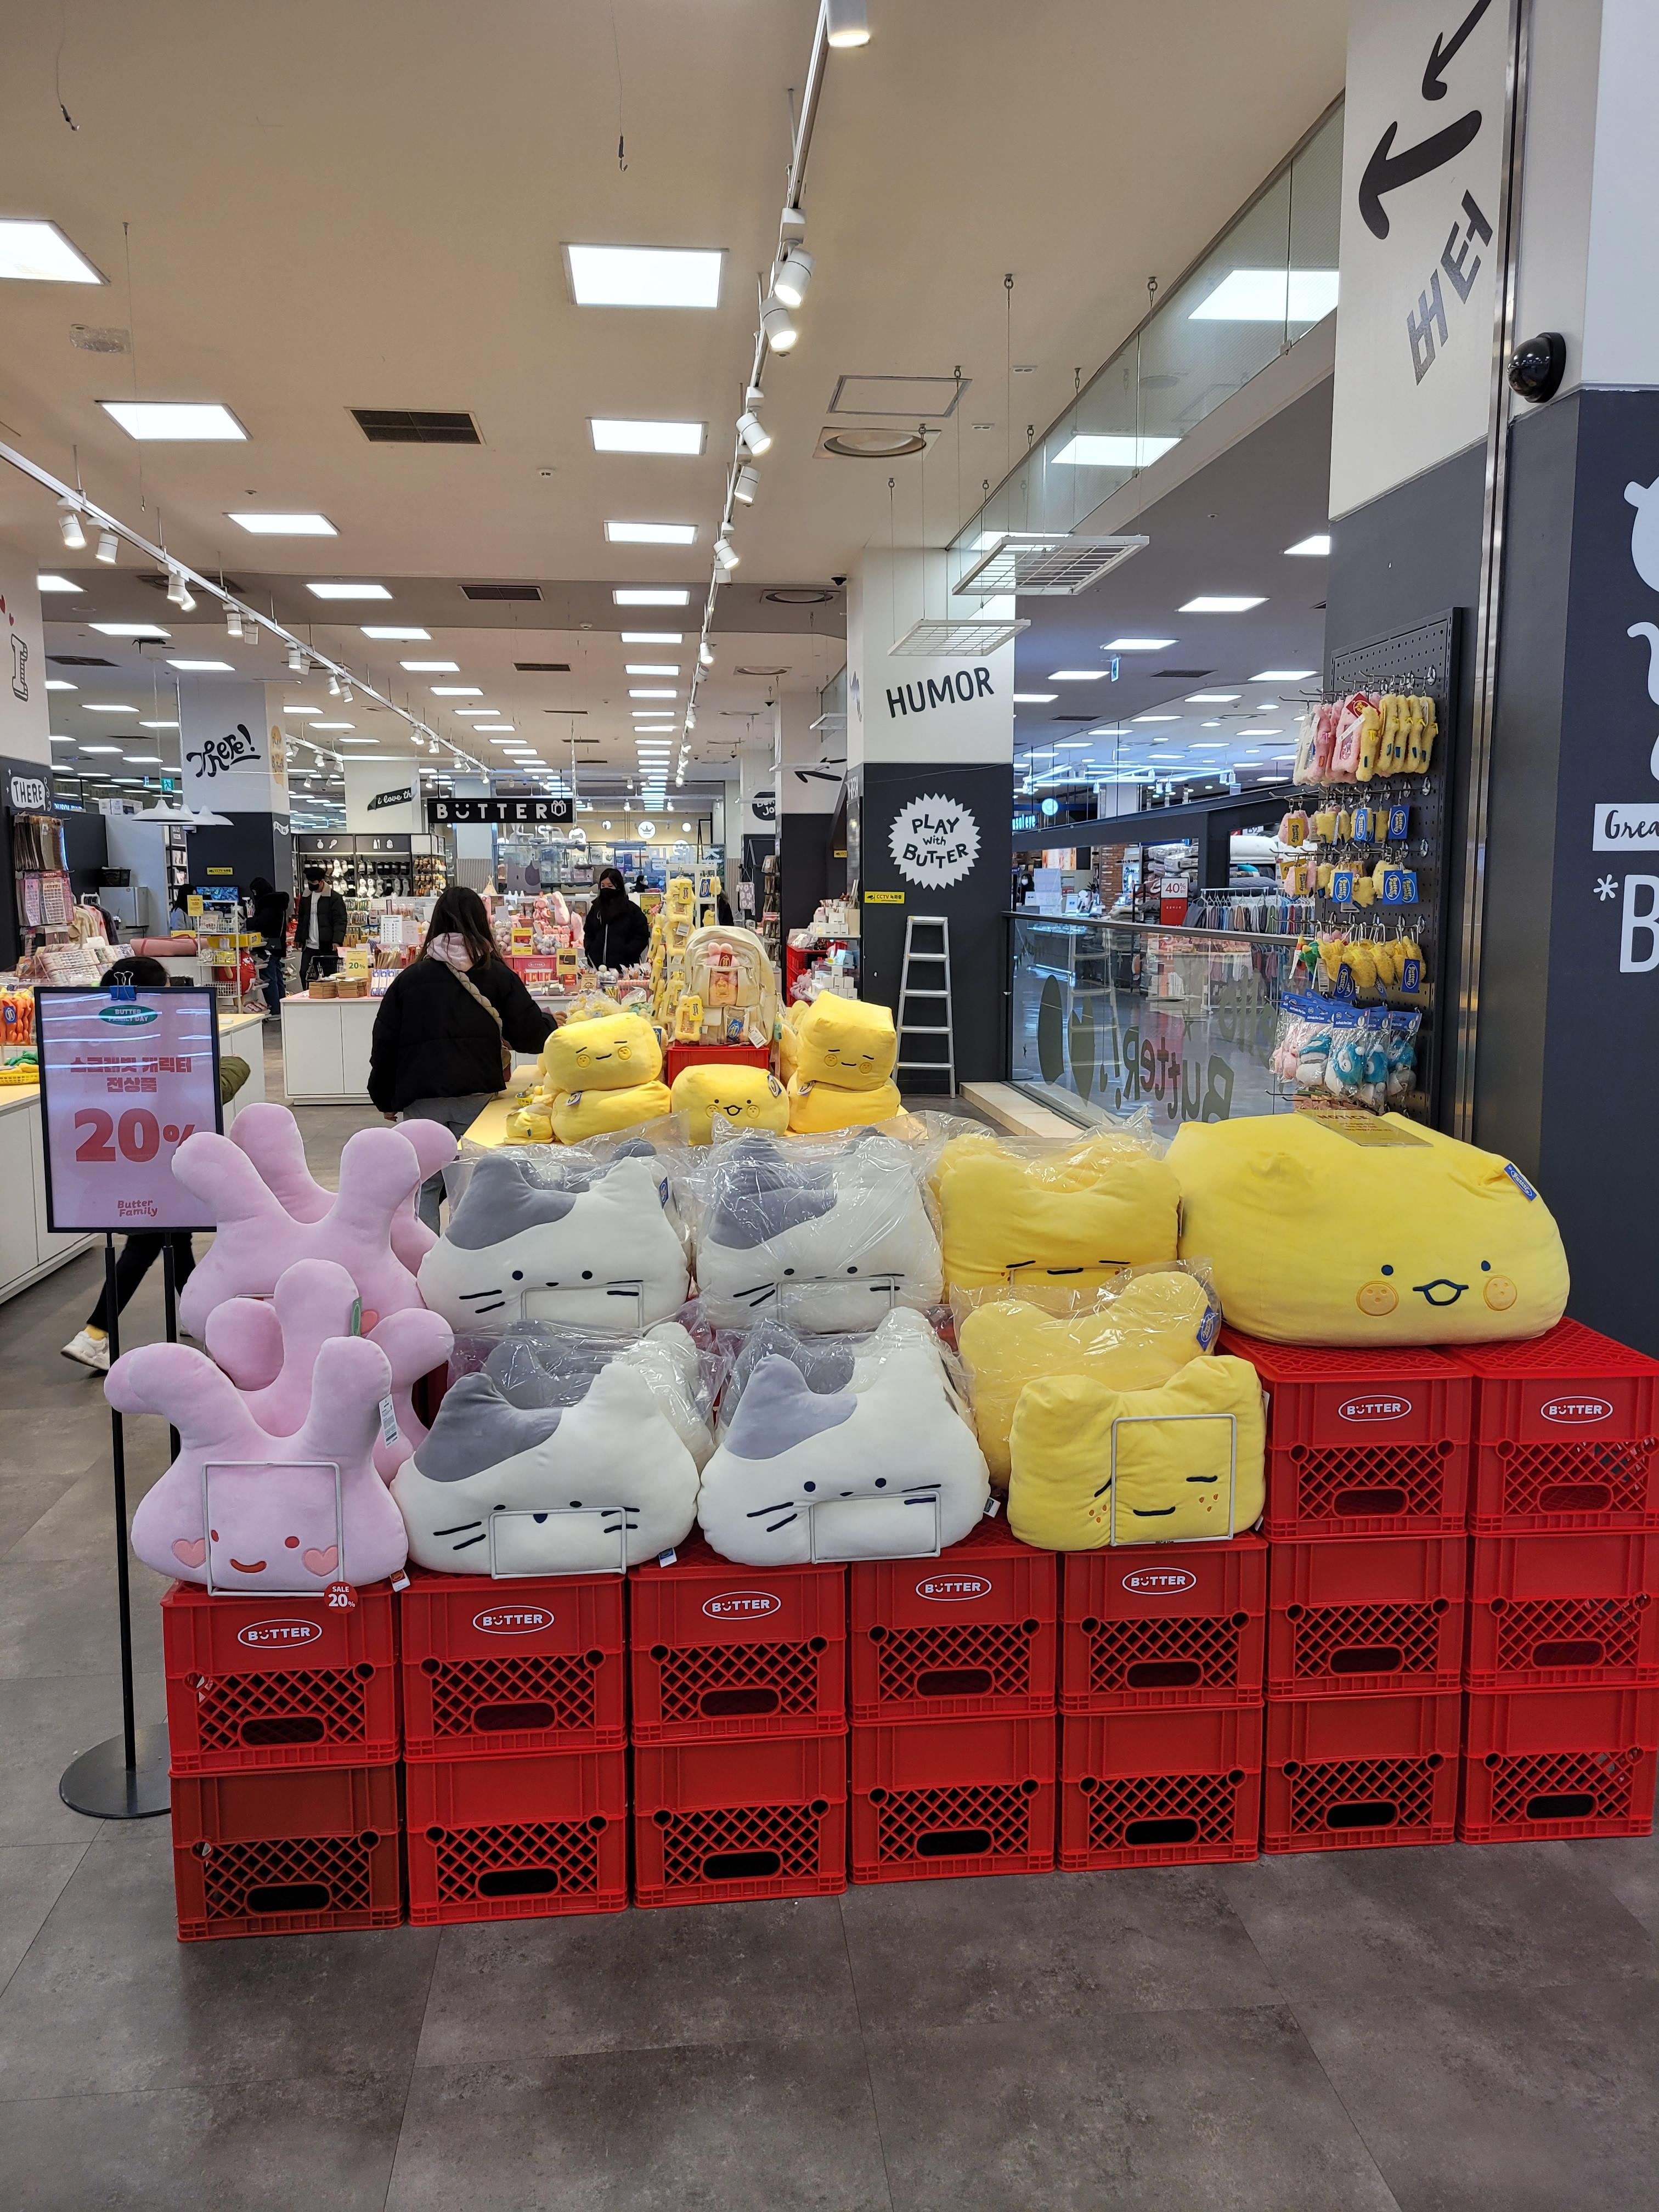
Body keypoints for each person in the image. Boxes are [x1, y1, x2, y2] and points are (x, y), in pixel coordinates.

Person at [61, 957, 251, 1373]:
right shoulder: (166, 1040)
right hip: (160, 1154)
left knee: (175, 1236)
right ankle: (95, 1334)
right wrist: (236, 1065)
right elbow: (203, 1092)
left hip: (118, 1153)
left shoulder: (95, 1040)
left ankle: (196, 1316)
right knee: (148, 1240)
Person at [368, 885, 554, 1229]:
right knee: (472, 1183)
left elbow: (384, 1043)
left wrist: (384, 1097)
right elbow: (530, 1035)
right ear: (481, 922)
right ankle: (467, 1255)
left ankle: (423, 1256)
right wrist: (551, 1023)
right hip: (477, 1096)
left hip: (421, 1098)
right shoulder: (496, 974)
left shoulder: (410, 979)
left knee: (423, 1186)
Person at [583, 866, 651, 970]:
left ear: (618, 887)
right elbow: (589, 932)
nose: (606, 889)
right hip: (597, 969)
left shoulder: (631, 910)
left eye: (610, 886)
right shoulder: (596, 909)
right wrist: (590, 950)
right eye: (603, 886)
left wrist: (628, 951)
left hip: (625, 970)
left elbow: (642, 935)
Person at [294, 866, 347, 988]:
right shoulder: (306, 897)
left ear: (322, 881)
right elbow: (302, 920)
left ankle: (328, 997)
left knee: (330, 976)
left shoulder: (334, 898)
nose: (311, 885)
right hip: (309, 945)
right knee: (304, 973)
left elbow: (340, 921)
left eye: (314, 883)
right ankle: (308, 995)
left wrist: (337, 941)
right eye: (309, 882)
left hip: (327, 944)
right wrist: (298, 938)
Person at [245, 874, 290, 1014]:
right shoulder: (279, 902)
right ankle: (282, 1008)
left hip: (268, 945)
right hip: (277, 944)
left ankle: (275, 1010)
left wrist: (248, 922)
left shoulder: (268, 904)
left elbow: (262, 923)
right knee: (277, 977)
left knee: (270, 978)